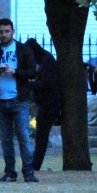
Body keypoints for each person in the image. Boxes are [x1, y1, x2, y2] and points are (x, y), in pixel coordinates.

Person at [0, 18, 38, 182]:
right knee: (6, 139)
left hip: (19, 99)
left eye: (7, 31)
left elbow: (32, 72)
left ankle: (28, 171)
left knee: (24, 136)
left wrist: (15, 71)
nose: (4, 34)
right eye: (1, 31)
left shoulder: (23, 49)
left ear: (13, 31)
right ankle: (10, 172)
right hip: (0, 100)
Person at [25, 38, 62, 172]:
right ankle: (35, 163)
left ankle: (35, 165)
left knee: (41, 135)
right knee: (40, 134)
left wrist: (29, 84)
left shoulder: (47, 61)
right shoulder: (45, 60)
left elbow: (47, 83)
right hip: (46, 103)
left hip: (50, 103)